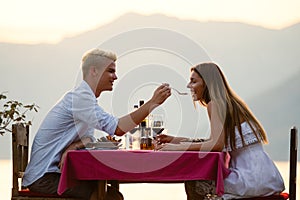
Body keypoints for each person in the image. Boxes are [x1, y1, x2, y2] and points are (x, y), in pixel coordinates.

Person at [22, 48, 171, 200]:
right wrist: (152, 103)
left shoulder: (85, 98)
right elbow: (117, 128)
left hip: (53, 173)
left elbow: (88, 138)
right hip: (43, 178)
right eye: (110, 71)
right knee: (108, 196)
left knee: (113, 195)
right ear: (94, 71)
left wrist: (75, 145)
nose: (115, 76)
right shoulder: (80, 98)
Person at [155, 62, 285, 200]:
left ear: (206, 83)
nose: (188, 86)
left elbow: (217, 144)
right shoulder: (228, 102)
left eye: (193, 81)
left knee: (195, 180)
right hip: (266, 176)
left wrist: (178, 148)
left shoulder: (215, 103)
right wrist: (174, 140)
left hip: (249, 179)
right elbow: (214, 141)